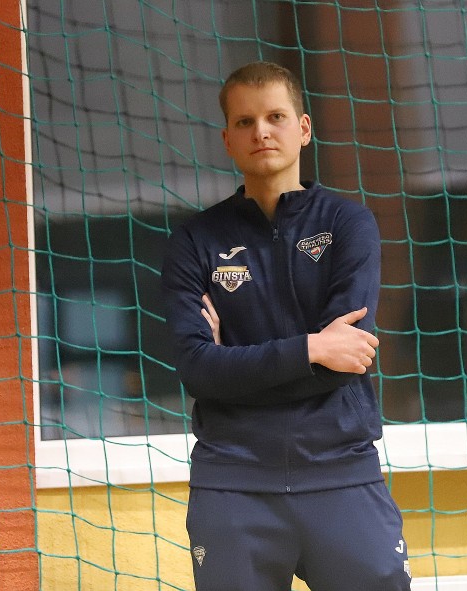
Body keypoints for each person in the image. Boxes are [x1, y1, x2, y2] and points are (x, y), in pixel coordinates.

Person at [161, 61, 412, 591]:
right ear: (227, 139)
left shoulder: (348, 224)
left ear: (303, 128)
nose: (261, 132)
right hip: (233, 482)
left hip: (340, 472)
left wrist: (235, 363)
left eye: (275, 116)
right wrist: (312, 348)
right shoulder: (196, 241)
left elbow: (346, 363)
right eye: (245, 122)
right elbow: (198, 371)